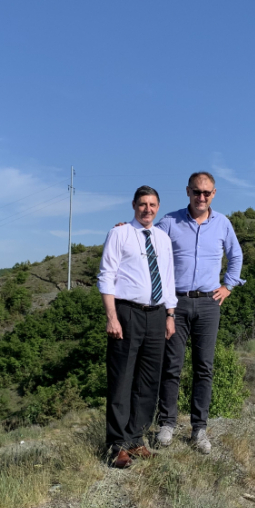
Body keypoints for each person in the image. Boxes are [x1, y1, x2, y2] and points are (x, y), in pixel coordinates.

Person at [154, 171, 244, 454]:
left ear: (213, 194)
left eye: (206, 192)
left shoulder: (223, 223)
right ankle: (167, 424)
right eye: (196, 192)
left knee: (204, 367)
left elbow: (236, 255)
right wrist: (126, 230)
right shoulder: (170, 222)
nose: (201, 197)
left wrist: (228, 286)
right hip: (176, 304)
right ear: (188, 191)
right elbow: (148, 242)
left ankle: (199, 429)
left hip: (208, 304)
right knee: (172, 365)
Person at [97, 185, 177, 468]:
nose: (147, 209)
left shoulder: (163, 239)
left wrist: (170, 314)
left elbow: (168, 278)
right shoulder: (119, 234)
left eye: (152, 205)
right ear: (134, 205)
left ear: (158, 207)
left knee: (148, 381)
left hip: (157, 315)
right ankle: (117, 445)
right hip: (127, 312)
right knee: (122, 379)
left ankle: (135, 438)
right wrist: (111, 317)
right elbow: (106, 275)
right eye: (143, 204)